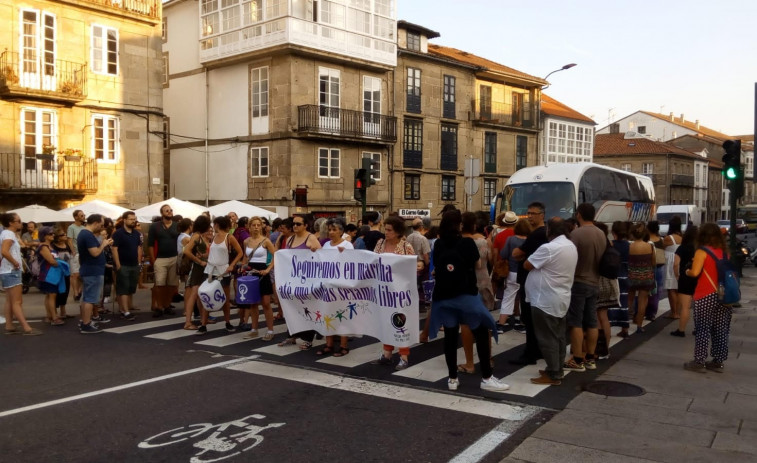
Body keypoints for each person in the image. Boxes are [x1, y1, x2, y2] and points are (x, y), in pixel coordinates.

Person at [427, 209, 509, 392]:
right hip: (465, 295)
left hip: (443, 296)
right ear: (460, 225)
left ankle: (452, 378)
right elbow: (478, 265)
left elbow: (437, 266)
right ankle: (487, 377)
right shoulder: (467, 243)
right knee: (481, 332)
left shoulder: (439, 244)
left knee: (449, 336)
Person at [525, 218, 578, 386]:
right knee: (559, 336)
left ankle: (554, 373)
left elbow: (528, 264)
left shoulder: (549, 248)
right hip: (560, 296)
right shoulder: (570, 245)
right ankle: (556, 368)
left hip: (545, 299)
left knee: (547, 337)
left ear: (550, 231)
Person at [684, 223, 732, 372]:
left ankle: (699, 361)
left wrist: (687, 271)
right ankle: (718, 361)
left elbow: (695, 272)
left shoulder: (702, 252)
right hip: (723, 295)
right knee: (720, 329)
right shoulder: (725, 253)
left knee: (703, 328)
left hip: (706, 294)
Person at [564, 203, 606, 372]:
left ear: (579, 215)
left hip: (579, 281)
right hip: (595, 281)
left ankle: (578, 359)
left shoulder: (576, 234)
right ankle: (590, 357)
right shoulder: (601, 233)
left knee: (575, 322)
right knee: (592, 321)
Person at [371, 215, 416, 370]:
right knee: (385, 320)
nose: (386, 232)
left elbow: (412, 267)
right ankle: (387, 353)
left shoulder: (405, 246)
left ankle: (404, 356)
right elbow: (372, 261)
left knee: (400, 321)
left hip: (400, 291)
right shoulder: (380, 243)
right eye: (386, 229)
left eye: (389, 230)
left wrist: (419, 266)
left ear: (397, 232)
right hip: (384, 290)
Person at [510, 202, 548, 365]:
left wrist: (520, 254)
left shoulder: (537, 234)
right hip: (535, 279)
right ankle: (537, 349)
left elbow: (517, 253)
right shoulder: (543, 233)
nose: (530, 216)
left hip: (530, 279)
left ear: (542, 215)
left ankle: (531, 352)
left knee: (529, 317)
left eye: (533, 213)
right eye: (528, 213)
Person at [457, 212, 495, 374]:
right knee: (485, 322)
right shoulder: (485, 242)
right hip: (484, 281)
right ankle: (488, 358)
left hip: (468, 284)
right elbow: (491, 261)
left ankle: (470, 362)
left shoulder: (460, 243)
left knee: (466, 323)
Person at [277, 215, 321, 349]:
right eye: (294, 224)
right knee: (292, 307)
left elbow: (321, 256)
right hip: (293, 279)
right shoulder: (289, 239)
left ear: (306, 225)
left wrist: (313, 250)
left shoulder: (311, 238)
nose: (295, 226)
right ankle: (292, 335)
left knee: (307, 308)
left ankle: (308, 338)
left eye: (298, 224)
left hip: (307, 280)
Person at [196, 216, 243, 334]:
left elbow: (240, 252)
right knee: (206, 296)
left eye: (214, 224)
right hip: (210, 270)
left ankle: (227, 322)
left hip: (223, 271)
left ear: (217, 225)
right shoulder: (213, 237)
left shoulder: (229, 237)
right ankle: (203, 324)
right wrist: (203, 256)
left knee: (225, 299)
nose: (213, 226)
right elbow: (212, 253)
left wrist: (232, 265)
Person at [315, 217, 354, 357]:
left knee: (342, 315)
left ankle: (344, 345)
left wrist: (346, 255)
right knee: (328, 315)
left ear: (341, 231)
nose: (331, 232)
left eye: (334, 230)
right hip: (328, 285)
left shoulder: (347, 246)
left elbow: (352, 265)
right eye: (330, 229)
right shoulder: (326, 246)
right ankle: (329, 344)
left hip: (342, 287)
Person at [1, 213, 41, 335]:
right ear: (10, 223)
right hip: (11, 270)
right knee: (17, 301)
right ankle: (26, 327)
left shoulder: (8, 234)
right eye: (18, 221)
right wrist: (15, 263)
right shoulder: (8, 234)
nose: (20, 223)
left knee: (10, 300)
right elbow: (4, 251)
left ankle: (9, 325)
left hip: (6, 270)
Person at [240, 216, 277, 342]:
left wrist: (268, 269)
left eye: (258, 225)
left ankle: (270, 330)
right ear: (249, 227)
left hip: (262, 272)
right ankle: (254, 329)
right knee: (253, 303)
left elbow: (275, 256)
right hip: (250, 272)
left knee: (266, 303)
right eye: (253, 225)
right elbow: (245, 257)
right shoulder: (246, 241)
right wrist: (243, 267)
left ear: (261, 227)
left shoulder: (266, 241)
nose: (256, 227)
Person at [77, 214, 112, 334]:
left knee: (87, 297)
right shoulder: (87, 235)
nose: (102, 228)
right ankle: (86, 324)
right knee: (90, 298)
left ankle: (84, 321)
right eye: (101, 225)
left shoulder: (83, 234)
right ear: (96, 223)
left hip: (89, 269)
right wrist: (103, 244)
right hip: (93, 271)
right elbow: (95, 253)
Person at [497, 218, 531, 333]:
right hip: (526, 273)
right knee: (525, 298)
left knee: (508, 297)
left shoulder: (510, 239)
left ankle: (501, 324)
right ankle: (522, 323)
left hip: (512, 272)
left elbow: (503, 254)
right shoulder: (530, 240)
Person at [147, 204, 179, 317]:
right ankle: (159, 307)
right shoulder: (155, 226)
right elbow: (150, 244)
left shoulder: (177, 225)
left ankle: (167, 305)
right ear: (162, 213)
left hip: (174, 257)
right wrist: (153, 259)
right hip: (160, 258)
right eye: (167, 211)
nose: (170, 212)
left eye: (171, 210)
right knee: (160, 284)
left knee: (171, 285)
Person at [181, 215, 212, 330]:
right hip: (198, 267)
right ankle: (188, 322)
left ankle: (202, 318)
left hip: (204, 267)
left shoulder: (201, 236)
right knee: (194, 294)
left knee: (200, 295)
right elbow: (187, 251)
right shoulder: (197, 236)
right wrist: (199, 260)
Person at [112, 211, 141, 321]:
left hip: (134, 264)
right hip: (123, 264)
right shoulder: (118, 233)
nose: (133, 221)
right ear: (124, 220)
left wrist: (138, 262)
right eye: (131, 219)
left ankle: (125, 308)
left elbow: (139, 247)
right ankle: (125, 311)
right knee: (123, 289)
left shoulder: (137, 234)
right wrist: (118, 264)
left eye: (134, 219)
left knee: (130, 288)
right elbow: (114, 249)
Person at [627, 222, 655, 333]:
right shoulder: (650, 246)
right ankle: (639, 325)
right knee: (643, 301)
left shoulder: (629, 247)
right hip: (646, 276)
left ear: (632, 234)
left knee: (629, 300)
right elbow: (653, 263)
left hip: (632, 275)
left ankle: (625, 323)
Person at [671, 226, 698, 337]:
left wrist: (677, 275)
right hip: (697, 277)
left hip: (685, 278)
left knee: (685, 307)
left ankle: (681, 330)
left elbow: (676, 263)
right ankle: (698, 329)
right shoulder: (699, 248)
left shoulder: (682, 248)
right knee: (698, 306)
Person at [36, 226, 64, 326]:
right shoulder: (44, 247)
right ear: (44, 236)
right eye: (50, 234)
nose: (53, 235)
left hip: (50, 274)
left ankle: (49, 315)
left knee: (49, 295)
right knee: (52, 295)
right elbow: (51, 261)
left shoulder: (49, 246)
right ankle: (54, 317)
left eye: (53, 233)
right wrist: (61, 263)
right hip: (47, 274)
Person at [608, 221, 631, 337]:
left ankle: (611, 323)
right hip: (625, 274)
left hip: (614, 275)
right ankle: (625, 327)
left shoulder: (611, 244)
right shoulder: (628, 245)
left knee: (611, 301)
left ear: (613, 232)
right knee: (624, 301)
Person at [663, 216, 683, 320]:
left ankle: (674, 312)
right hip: (680, 262)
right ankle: (678, 312)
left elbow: (662, 247)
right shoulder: (682, 237)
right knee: (678, 289)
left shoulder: (668, 238)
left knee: (671, 289)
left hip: (671, 264)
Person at [52, 229, 74, 320]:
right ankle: (55, 313)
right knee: (57, 292)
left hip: (67, 272)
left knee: (65, 291)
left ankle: (63, 311)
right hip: (57, 272)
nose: (65, 236)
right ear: (58, 237)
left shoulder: (67, 245)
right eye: (62, 235)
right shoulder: (53, 246)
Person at [67, 209, 86, 301]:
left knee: (83, 274)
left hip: (83, 253)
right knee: (75, 274)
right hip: (76, 252)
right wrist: (73, 250)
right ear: (76, 217)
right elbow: (69, 240)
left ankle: (80, 290)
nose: (83, 217)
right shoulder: (71, 227)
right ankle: (75, 292)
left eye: (83, 215)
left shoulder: (84, 228)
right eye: (81, 215)